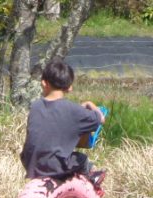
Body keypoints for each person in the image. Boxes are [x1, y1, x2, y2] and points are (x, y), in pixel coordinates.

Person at [19, 60, 106, 191]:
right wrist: (90, 105)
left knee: (58, 154)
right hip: (55, 166)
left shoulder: (35, 106)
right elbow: (100, 119)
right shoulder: (74, 110)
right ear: (69, 87)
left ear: (44, 83)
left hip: (30, 164)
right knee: (81, 159)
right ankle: (90, 181)